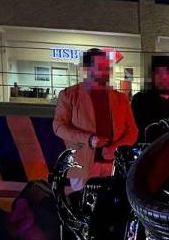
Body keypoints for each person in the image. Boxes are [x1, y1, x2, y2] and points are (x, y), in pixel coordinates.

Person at [53, 48, 138, 189]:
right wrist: (89, 139)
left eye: (107, 67)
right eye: (100, 67)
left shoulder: (120, 98)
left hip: (113, 165)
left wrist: (115, 148)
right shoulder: (69, 95)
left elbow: (132, 131)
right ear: (87, 68)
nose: (105, 71)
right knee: (83, 205)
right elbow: (59, 127)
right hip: (82, 163)